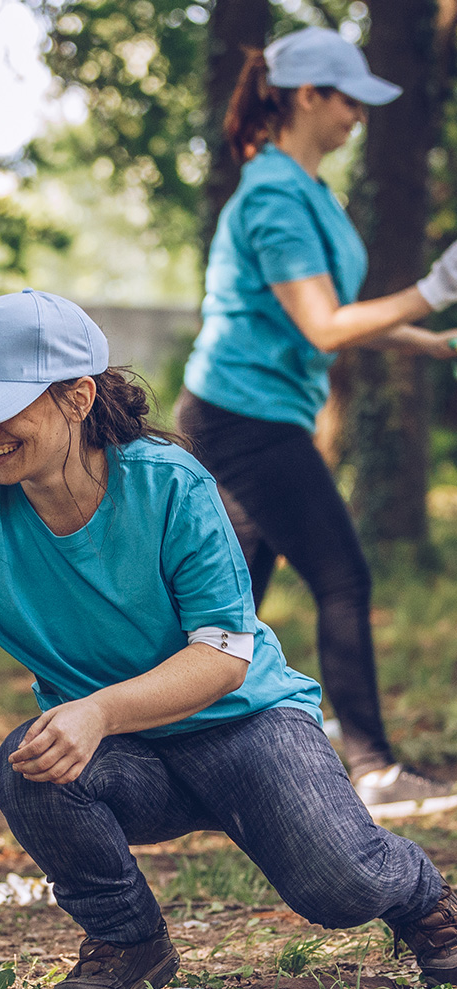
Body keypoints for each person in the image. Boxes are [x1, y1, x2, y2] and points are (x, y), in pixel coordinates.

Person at [0, 290, 457, 989]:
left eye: (5, 407)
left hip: (246, 725)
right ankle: (129, 942)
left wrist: (98, 711)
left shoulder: (169, 484)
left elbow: (222, 654)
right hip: (128, 761)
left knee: (341, 889)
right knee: (28, 765)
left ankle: (425, 903)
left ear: (78, 398)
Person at [176, 26, 457, 808]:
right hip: (243, 418)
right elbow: (324, 327)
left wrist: (423, 339)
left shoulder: (307, 191)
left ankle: (177, 745)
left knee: (227, 608)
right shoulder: (272, 197)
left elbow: (332, 307)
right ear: (308, 96)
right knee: (342, 575)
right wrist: (434, 288)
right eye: (349, 100)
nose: (359, 117)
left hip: (252, 413)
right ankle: (372, 767)